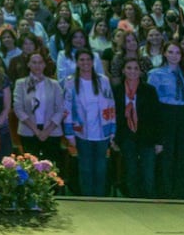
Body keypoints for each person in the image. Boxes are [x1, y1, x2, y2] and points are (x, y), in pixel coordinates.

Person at [64, 49, 116, 197]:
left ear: (93, 62)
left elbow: (111, 105)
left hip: (102, 132)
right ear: (77, 62)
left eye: (88, 59)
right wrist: (69, 133)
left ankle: (100, 199)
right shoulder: (70, 82)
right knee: (85, 168)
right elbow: (67, 108)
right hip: (81, 132)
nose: (85, 62)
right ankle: (87, 198)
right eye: (82, 60)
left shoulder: (103, 80)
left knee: (101, 168)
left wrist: (112, 130)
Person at [147, 41, 184, 198]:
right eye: (171, 52)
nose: (174, 56)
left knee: (182, 153)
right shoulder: (156, 74)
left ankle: (180, 190)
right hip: (165, 114)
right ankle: (165, 190)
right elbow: (151, 102)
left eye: (178, 53)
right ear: (164, 53)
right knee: (166, 153)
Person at [112, 59, 160, 198]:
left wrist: (158, 141)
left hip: (147, 137)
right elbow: (114, 116)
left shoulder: (149, 90)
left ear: (140, 71)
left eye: (135, 68)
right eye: (129, 68)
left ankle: (149, 203)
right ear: (123, 70)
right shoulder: (117, 91)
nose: (132, 71)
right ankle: (133, 203)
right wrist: (115, 138)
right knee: (131, 171)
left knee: (148, 173)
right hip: (126, 136)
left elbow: (156, 117)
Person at [12, 52, 64, 171]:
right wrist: (36, 131)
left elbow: (60, 109)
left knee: (51, 168)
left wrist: (46, 131)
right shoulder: (21, 84)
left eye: (40, 62)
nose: (37, 65)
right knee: (31, 169)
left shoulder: (54, 84)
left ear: (45, 65)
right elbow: (18, 109)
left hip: (51, 131)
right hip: (28, 131)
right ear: (28, 65)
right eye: (34, 62)